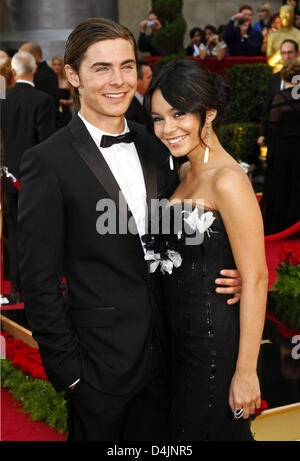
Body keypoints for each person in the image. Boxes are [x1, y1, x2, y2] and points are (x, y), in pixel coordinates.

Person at [17, 18, 242, 442]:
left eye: (126, 66)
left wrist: (235, 272)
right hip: (99, 372)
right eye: (101, 68)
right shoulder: (47, 162)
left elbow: (185, 230)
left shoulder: (158, 144)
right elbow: (38, 281)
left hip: (173, 355)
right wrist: (71, 375)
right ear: (72, 76)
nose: (117, 81)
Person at [144, 59, 268, 441]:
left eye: (179, 114)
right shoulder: (182, 172)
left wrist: (246, 371)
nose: (167, 128)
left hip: (211, 345)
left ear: (208, 113)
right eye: (158, 118)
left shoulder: (229, 180)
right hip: (173, 339)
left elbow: (257, 277)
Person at [1, 50, 56, 304]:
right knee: (40, 232)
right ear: (33, 70)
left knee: (13, 230)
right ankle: (39, 285)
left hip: (7, 176)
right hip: (35, 179)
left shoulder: (2, 98)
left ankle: (16, 287)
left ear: (13, 72)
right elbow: (46, 144)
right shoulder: (43, 100)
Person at [260, 59, 300, 235]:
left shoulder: (279, 98)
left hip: (282, 150)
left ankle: (280, 226)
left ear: (286, 76)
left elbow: (272, 124)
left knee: (281, 187)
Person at [257, 39, 299, 147]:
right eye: (284, 53)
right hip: (278, 139)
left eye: (290, 52)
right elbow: (268, 107)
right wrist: (262, 134)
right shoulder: (274, 79)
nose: (287, 56)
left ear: (297, 54)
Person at [19, 41, 60, 119]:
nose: (20, 59)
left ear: (36, 56)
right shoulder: (47, 72)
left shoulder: (41, 75)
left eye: (23, 55)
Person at [267, 4, 300, 72]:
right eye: (282, 15)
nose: (284, 18)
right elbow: (270, 61)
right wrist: (280, 53)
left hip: (295, 72)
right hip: (277, 72)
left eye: (287, 16)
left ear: (292, 16)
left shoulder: (298, 34)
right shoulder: (272, 36)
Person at [125, 59, 153, 124]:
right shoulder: (129, 107)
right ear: (137, 80)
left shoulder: (149, 99)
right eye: (149, 77)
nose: (152, 80)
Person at [51, 55, 73, 128]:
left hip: (65, 113)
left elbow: (75, 100)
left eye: (59, 64)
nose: (56, 67)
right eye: (54, 64)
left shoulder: (67, 81)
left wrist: (64, 102)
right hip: (51, 113)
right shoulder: (48, 81)